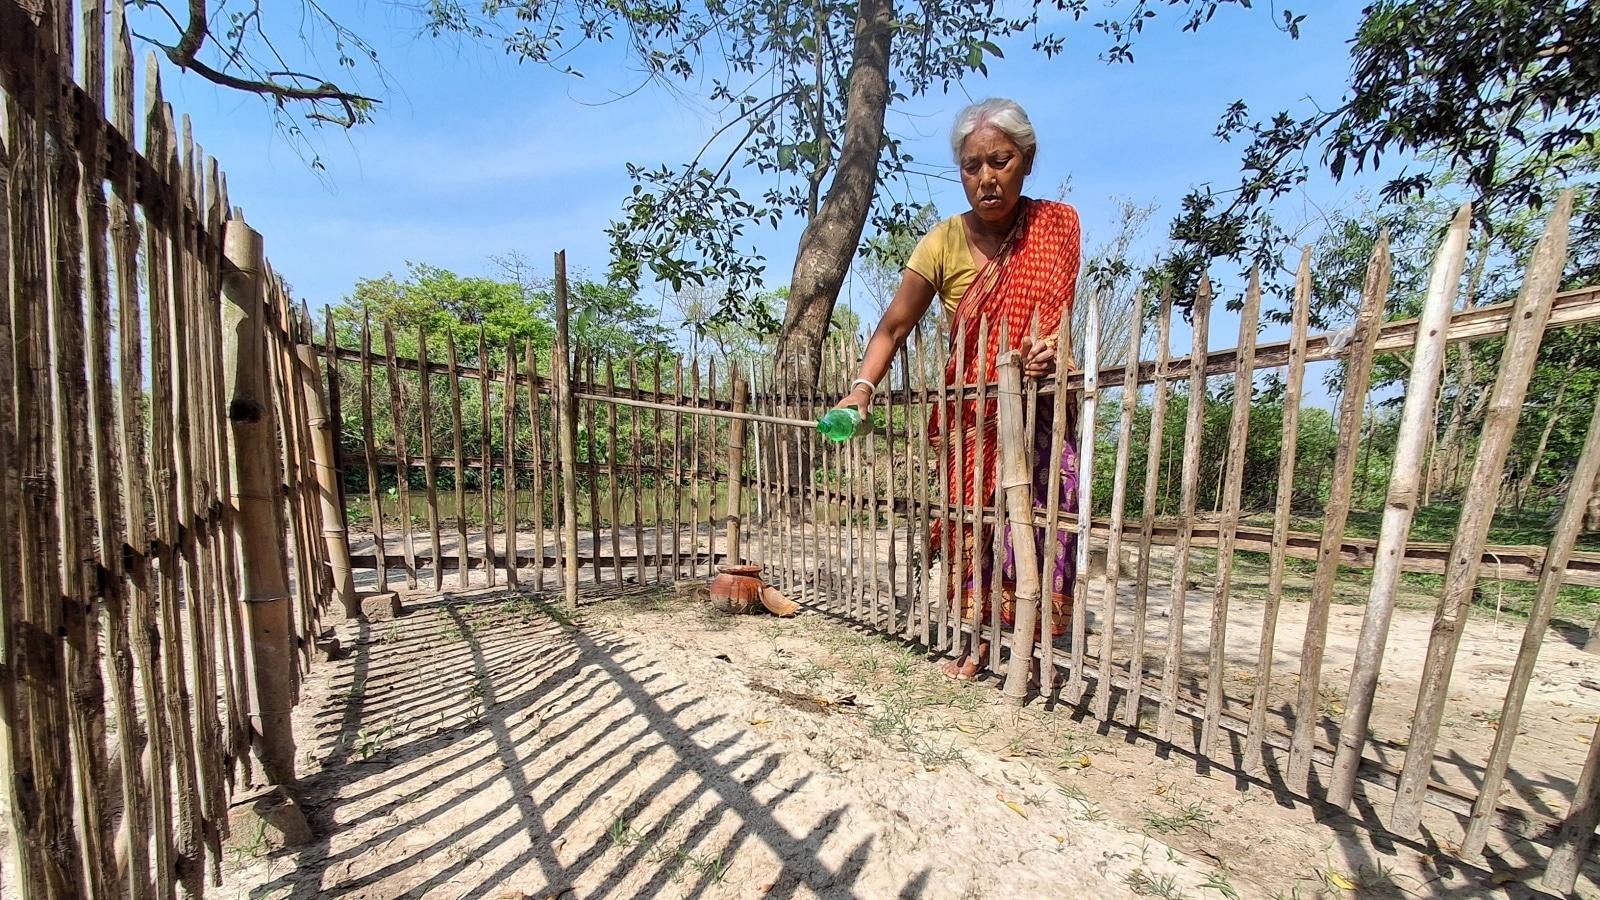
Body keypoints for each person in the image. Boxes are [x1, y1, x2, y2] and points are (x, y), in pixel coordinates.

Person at [833, 97, 1082, 679]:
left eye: (1000, 161)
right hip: (975, 417)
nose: (987, 178)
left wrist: (1052, 349)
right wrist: (861, 388)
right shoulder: (942, 242)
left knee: (1041, 524)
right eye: (973, 166)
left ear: (1027, 159)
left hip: (1042, 406)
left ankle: (1034, 644)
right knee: (976, 526)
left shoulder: (1056, 225)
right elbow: (894, 327)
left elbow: (1055, 318)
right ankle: (976, 644)